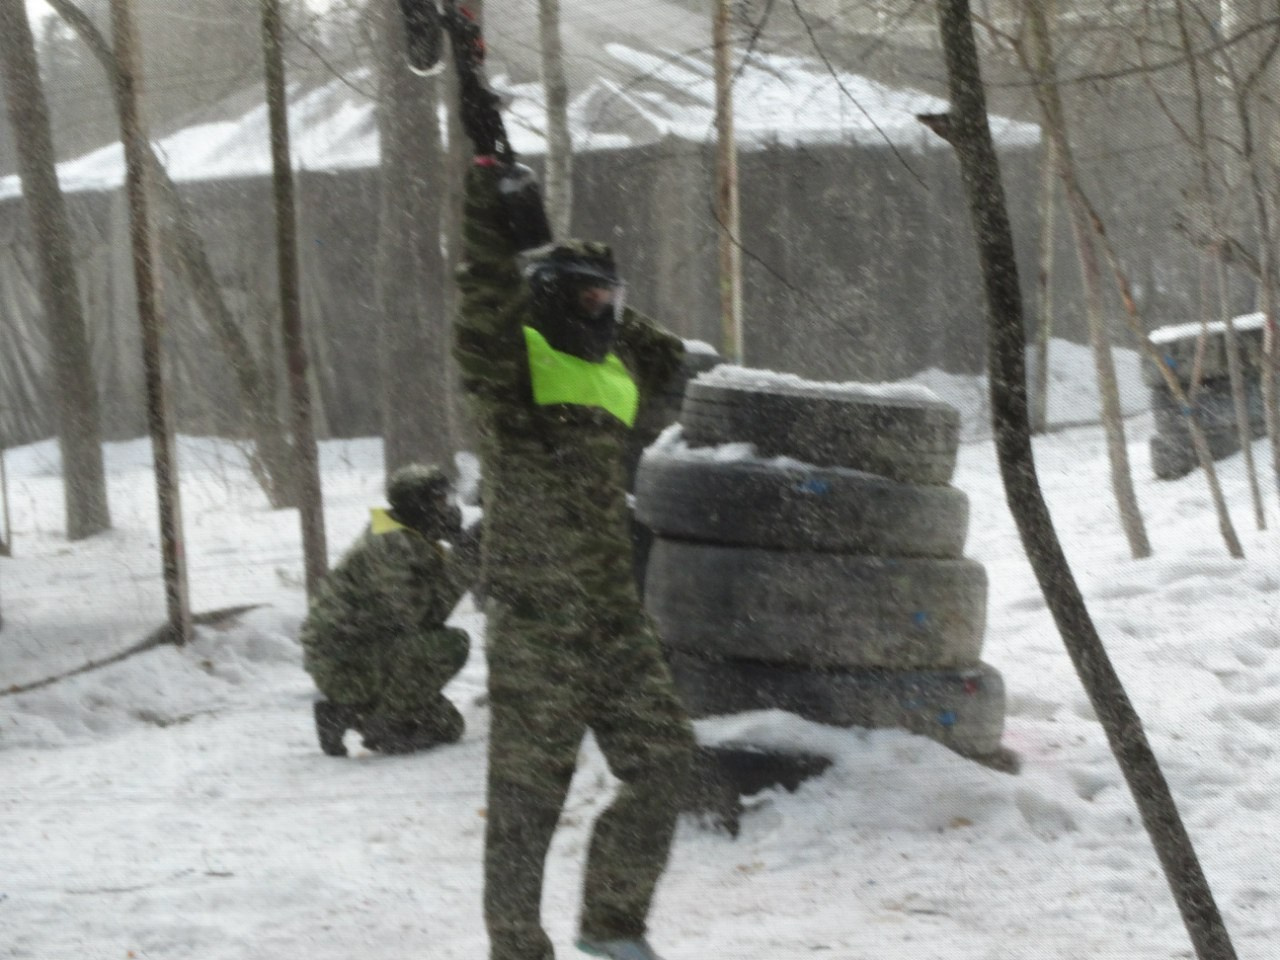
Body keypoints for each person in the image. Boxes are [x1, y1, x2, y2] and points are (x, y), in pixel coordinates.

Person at [454, 156, 697, 960]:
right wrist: (498, 223)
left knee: (664, 764)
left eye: (610, 299)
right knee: (525, 802)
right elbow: (481, 308)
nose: (605, 312)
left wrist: (583, 275)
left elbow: (671, 358)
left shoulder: (615, 368)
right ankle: (516, 946)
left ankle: (612, 927)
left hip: (612, 616)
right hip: (536, 619)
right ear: (550, 302)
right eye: (589, 299)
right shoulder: (511, 370)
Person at [302, 463, 478, 757]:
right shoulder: (390, 546)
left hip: (364, 649)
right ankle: (382, 722)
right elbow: (420, 619)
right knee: (451, 644)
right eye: (438, 501)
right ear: (417, 506)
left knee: (448, 727)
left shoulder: (406, 535)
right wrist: (463, 565)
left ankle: (344, 712)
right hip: (342, 659)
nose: (447, 508)